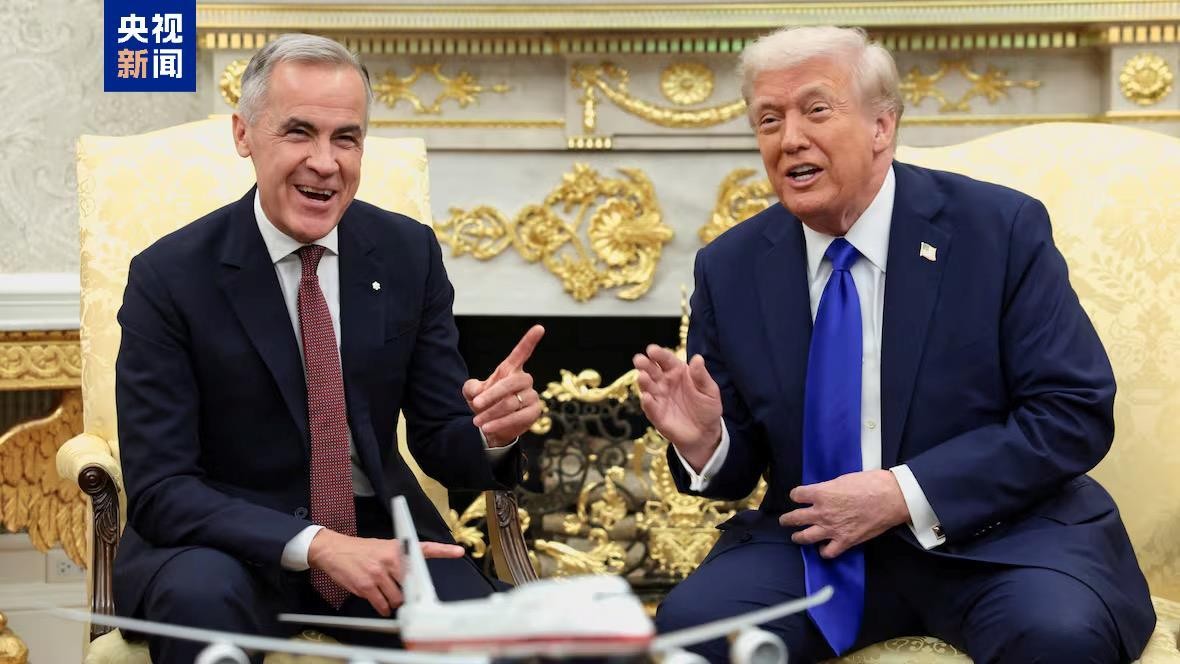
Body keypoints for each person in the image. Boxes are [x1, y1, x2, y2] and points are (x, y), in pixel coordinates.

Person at [633, 25, 1155, 664]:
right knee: (693, 632)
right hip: (816, 546)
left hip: (999, 539)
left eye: (815, 110)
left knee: (1058, 635)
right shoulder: (731, 265)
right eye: (768, 119)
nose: (789, 138)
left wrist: (901, 494)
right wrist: (707, 442)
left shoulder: (997, 230)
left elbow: (1072, 412)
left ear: (882, 126)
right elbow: (739, 467)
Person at [113, 34, 545, 663]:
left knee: (494, 636)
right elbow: (162, 488)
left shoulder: (407, 254)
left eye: (346, 138)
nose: (325, 162)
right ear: (244, 134)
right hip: (223, 544)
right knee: (198, 601)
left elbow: (440, 439)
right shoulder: (169, 276)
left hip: (378, 536)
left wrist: (491, 436)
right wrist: (316, 544)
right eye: (299, 132)